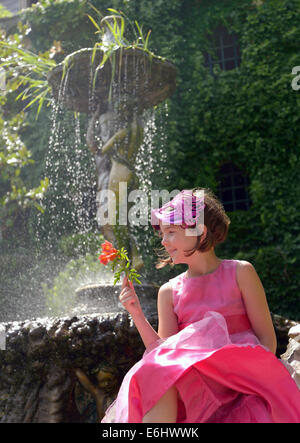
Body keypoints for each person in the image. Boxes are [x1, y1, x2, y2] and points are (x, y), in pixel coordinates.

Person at [101, 188, 300, 423]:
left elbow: (267, 341)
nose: (164, 241)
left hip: (247, 376)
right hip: (196, 385)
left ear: (201, 232)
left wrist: (239, 375)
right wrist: (136, 313)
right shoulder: (169, 292)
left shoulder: (241, 272)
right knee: (154, 369)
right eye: (162, 235)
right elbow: (163, 353)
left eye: (171, 232)